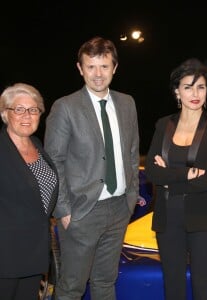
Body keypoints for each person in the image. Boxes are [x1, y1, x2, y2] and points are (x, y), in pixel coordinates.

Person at [44, 36, 140, 300]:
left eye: (104, 66)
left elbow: (132, 153)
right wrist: (63, 210)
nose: (98, 74)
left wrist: (130, 198)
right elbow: (54, 162)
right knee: (71, 287)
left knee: (105, 282)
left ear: (115, 68)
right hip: (81, 212)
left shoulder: (127, 103)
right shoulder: (65, 107)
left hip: (119, 208)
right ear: (80, 68)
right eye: (91, 67)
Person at [145, 58, 207, 300]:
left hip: (202, 219)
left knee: (203, 287)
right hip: (167, 218)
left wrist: (169, 177)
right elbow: (152, 171)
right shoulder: (164, 125)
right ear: (177, 92)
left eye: (200, 87)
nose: (195, 93)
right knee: (173, 287)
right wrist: (187, 173)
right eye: (188, 87)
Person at [0, 83, 58, 300]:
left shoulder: (36, 145)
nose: (27, 115)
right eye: (19, 109)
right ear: (6, 113)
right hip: (5, 254)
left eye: (33, 110)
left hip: (33, 252)